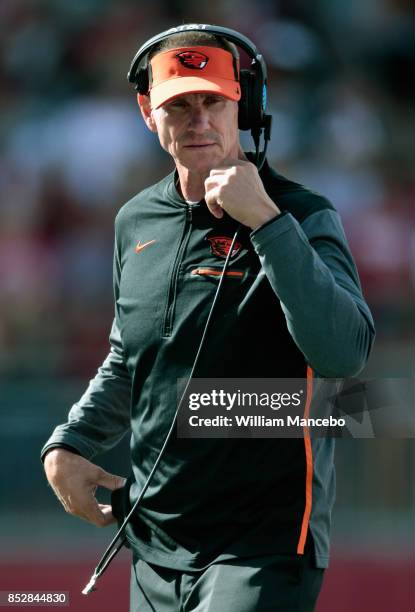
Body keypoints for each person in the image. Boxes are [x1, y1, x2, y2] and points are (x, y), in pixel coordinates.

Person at [42, 24, 375, 611]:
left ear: (242, 107)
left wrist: (269, 225)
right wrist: (70, 442)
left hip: (264, 547)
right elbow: (129, 360)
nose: (199, 120)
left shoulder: (302, 214)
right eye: (180, 104)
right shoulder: (135, 222)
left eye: (213, 101)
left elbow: (345, 356)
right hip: (154, 544)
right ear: (149, 112)